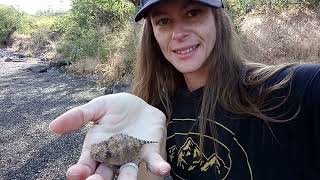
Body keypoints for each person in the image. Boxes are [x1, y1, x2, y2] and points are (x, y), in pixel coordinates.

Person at [49, 0, 320, 179]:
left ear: (217, 18)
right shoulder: (154, 112)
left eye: (193, 12)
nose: (178, 33)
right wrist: (126, 157)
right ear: (153, 33)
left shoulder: (292, 90)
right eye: (163, 21)